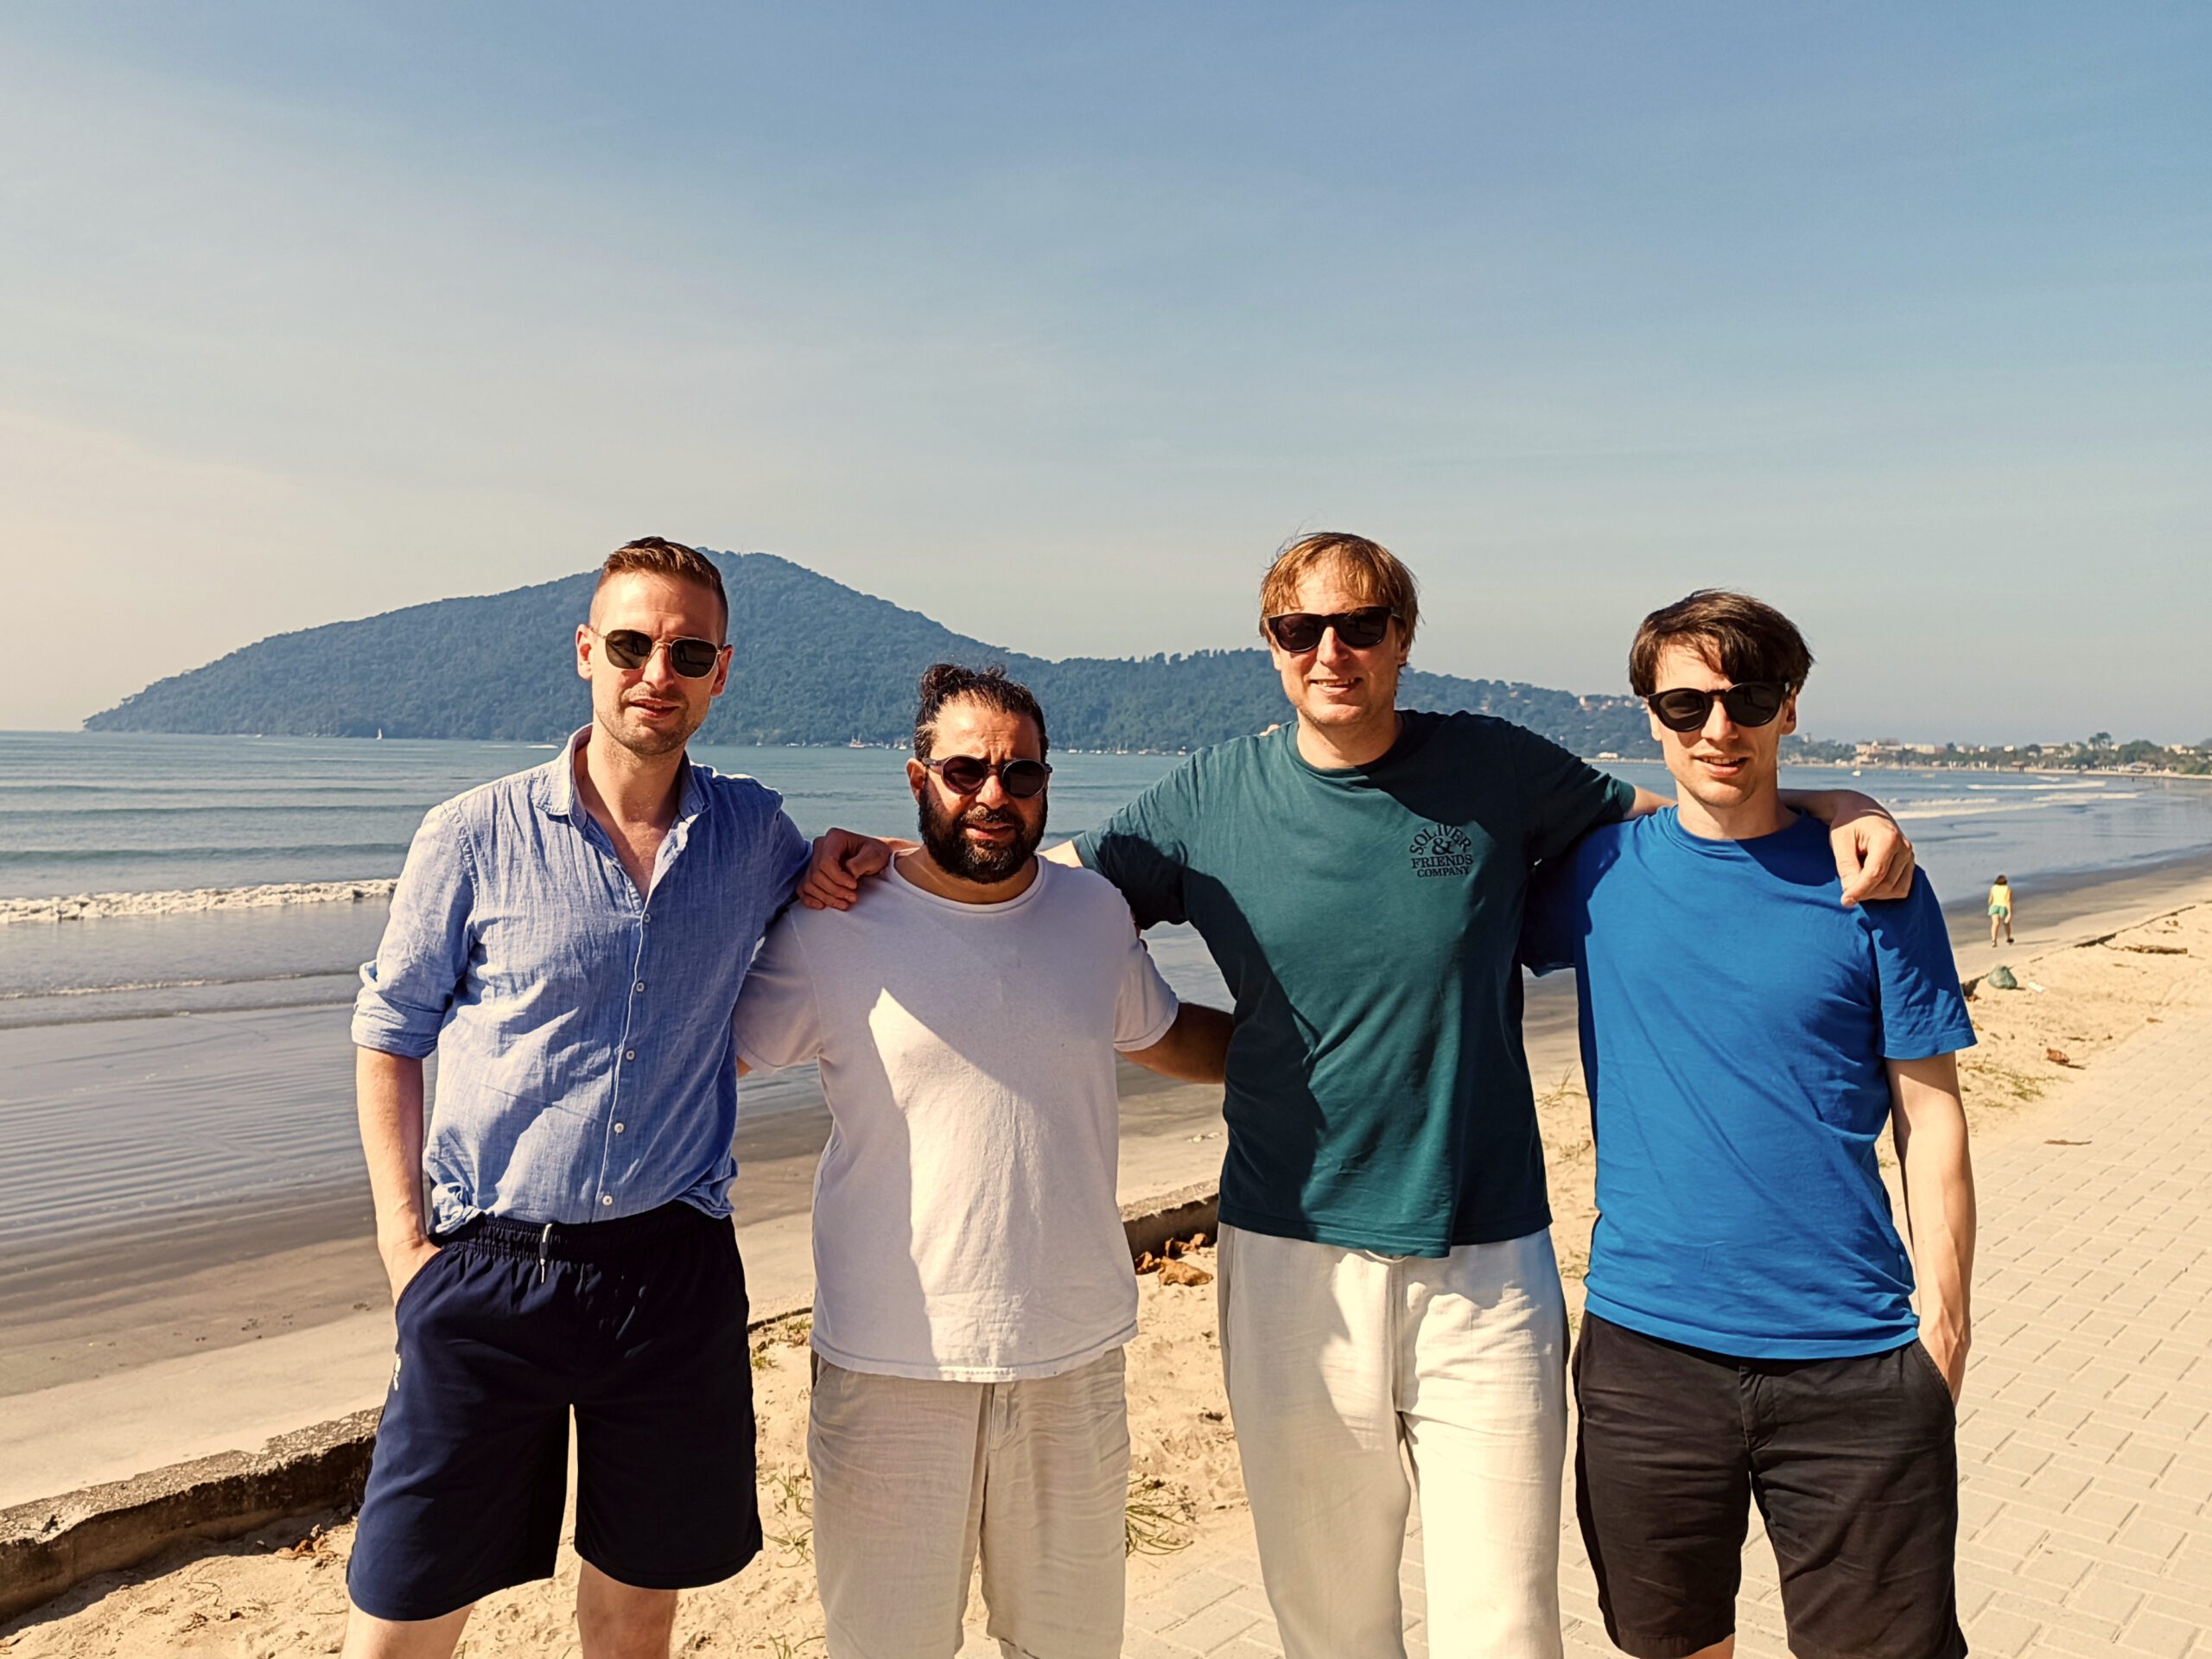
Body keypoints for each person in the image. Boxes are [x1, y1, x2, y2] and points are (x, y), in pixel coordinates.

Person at [806, 533, 1917, 1658]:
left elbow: (1689, 813)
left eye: (1360, 627)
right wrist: (897, 861)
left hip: (1487, 1255)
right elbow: (1026, 897)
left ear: (1401, 640)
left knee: (1506, 1626)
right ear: (1271, 645)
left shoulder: (1493, 768)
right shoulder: (1211, 798)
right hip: (1290, 1258)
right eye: (1301, 629)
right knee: (1331, 1626)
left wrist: (1839, 803)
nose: (1330, 651)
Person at [343, 538, 810, 1659]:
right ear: (587, 652)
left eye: (687, 653)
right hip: (488, 1269)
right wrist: (404, 1248)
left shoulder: (755, 835)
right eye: (634, 645)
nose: (658, 672)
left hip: (672, 1276)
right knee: (404, 1614)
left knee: (636, 1614)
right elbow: (389, 1033)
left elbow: (846, 916)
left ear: (721, 672)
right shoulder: (473, 833)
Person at [732, 664, 1231, 1659]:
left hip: (1072, 1358)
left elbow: (1164, 1034)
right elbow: (704, 1058)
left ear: (1046, 784)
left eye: (1020, 773)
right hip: (891, 1366)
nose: (994, 795)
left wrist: (1325, 1055)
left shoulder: (1093, 913)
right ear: (918, 779)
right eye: (965, 772)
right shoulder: (832, 925)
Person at [1523, 589, 1977, 1659]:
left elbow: (1931, 1114)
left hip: (1856, 1357)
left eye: (1749, 699)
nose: (1717, 728)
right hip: (1646, 1358)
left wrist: (1946, 1331)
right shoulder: (1594, 875)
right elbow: (1425, 905)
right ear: (1649, 716)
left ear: (1789, 706)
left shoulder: (1872, 884)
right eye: (1686, 706)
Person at [1990, 872, 2015, 945]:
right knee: (2007, 923)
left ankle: (1994, 941)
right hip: (2003, 906)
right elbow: (2008, 900)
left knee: (1995, 924)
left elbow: (1990, 900)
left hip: (1994, 906)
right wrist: (2010, 912)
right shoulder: (2007, 889)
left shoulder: (1993, 888)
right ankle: (2008, 938)